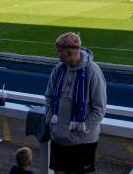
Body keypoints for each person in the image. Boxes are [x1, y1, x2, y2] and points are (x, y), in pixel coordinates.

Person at [45, 32, 107, 174]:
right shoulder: (58, 69)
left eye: (60, 51)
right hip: (58, 139)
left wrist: (83, 129)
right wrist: (51, 122)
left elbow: (100, 109)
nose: (57, 54)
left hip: (82, 142)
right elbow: (49, 97)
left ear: (70, 52)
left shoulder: (93, 72)